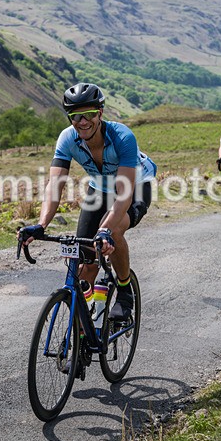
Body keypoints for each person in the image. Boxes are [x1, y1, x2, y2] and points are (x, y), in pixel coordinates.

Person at [19, 83, 157, 322]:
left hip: (134, 187)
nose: (83, 121)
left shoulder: (122, 136)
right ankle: (85, 321)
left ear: (100, 113)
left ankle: (124, 291)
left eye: (89, 114)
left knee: (112, 229)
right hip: (100, 188)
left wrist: (105, 231)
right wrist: (41, 225)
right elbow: (55, 185)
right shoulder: (67, 139)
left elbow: (123, 194)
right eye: (75, 116)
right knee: (84, 258)